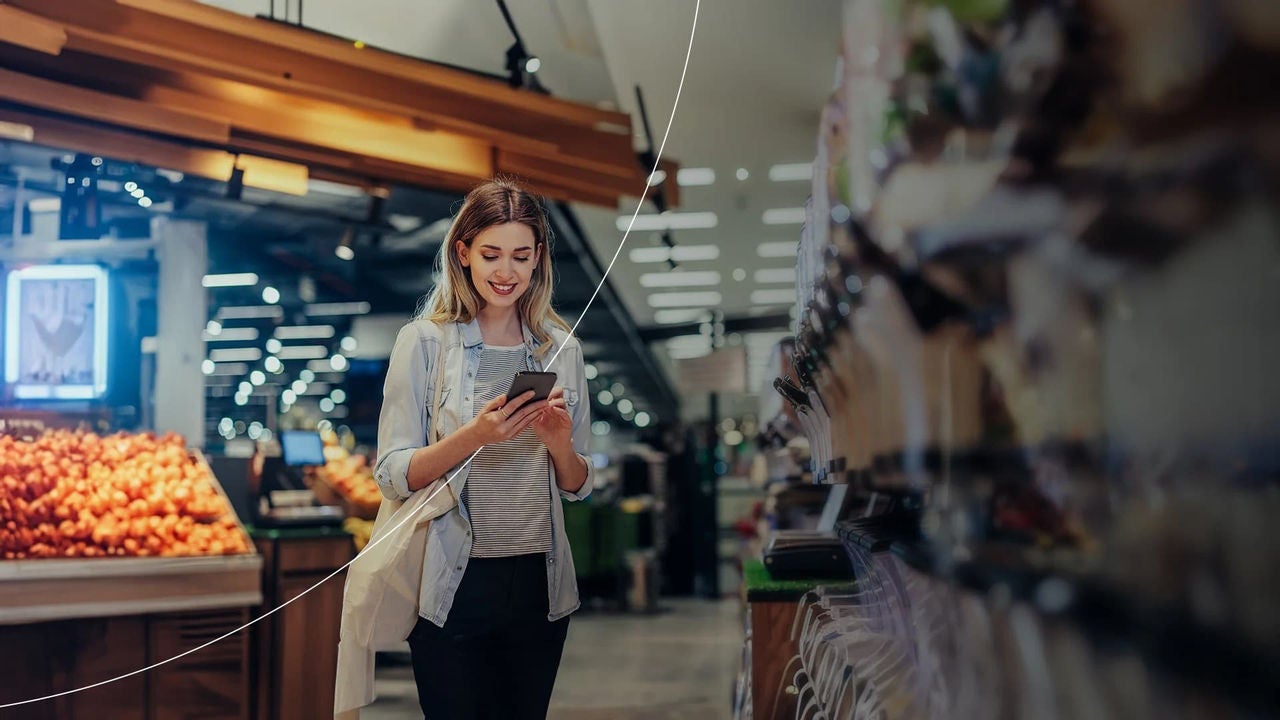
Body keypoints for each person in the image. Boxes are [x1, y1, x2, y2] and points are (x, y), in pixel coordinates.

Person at [373, 177, 594, 720]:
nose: (506, 272)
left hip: (539, 583)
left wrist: (560, 446)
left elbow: (578, 485)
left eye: (521, 256)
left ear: (539, 257)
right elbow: (392, 473)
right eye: (491, 254)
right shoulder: (424, 343)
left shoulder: (562, 350)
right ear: (463, 252)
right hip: (453, 581)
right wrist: (475, 434)